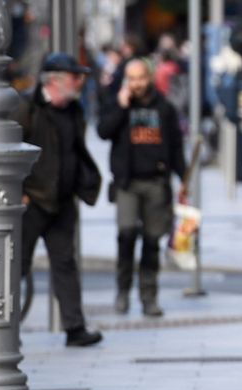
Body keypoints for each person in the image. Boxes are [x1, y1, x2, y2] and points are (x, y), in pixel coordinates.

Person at [14, 53, 103, 347]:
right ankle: (6, 328)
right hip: (32, 201)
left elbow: (76, 150)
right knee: (18, 266)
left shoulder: (74, 110)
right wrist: (20, 191)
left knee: (65, 263)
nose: (80, 82)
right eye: (75, 77)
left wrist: (83, 183)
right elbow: (11, 152)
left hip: (63, 201)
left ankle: (74, 328)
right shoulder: (27, 107)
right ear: (54, 80)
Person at [97, 58, 187, 317]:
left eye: (140, 78)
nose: (135, 84)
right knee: (126, 235)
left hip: (156, 182)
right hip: (127, 182)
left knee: (151, 241)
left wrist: (183, 179)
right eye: (131, 78)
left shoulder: (164, 109)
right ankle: (122, 292)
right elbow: (104, 131)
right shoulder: (118, 104)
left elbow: (176, 146)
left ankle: (149, 296)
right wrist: (121, 107)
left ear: (149, 78)